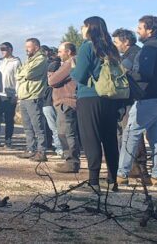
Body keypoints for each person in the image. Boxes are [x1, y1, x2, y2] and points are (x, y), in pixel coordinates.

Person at [118, 15, 157, 187]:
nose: (137, 30)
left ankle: (121, 174)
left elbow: (145, 73)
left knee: (130, 133)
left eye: (140, 27)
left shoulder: (149, 47)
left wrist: (125, 73)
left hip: (149, 98)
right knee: (156, 135)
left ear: (150, 30)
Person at [71, 16, 121, 190]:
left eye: (83, 26)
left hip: (89, 97)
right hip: (110, 98)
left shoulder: (87, 46)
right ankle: (113, 180)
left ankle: (93, 181)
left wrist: (72, 68)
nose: (81, 29)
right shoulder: (112, 48)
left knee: (90, 138)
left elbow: (80, 75)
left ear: (89, 28)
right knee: (110, 139)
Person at [112, 28, 148, 179]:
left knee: (133, 134)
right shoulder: (130, 54)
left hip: (132, 100)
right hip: (129, 100)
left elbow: (121, 73)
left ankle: (139, 168)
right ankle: (133, 166)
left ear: (126, 41)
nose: (115, 45)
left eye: (116, 42)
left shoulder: (133, 54)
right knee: (129, 133)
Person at [48, 42, 81, 173]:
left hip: (66, 102)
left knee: (66, 133)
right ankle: (70, 160)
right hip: (68, 101)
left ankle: (72, 162)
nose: (58, 54)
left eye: (60, 52)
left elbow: (52, 81)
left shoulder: (70, 63)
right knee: (66, 132)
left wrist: (51, 73)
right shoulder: (73, 62)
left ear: (68, 52)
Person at [16, 38, 49, 162]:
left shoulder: (41, 59)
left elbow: (28, 74)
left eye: (28, 47)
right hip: (24, 96)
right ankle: (30, 149)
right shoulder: (29, 60)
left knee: (37, 125)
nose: (26, 49)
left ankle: (42, 151)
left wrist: (23, 73)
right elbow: (18, 73)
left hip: (33, 96)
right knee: (27, 126)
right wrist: (23, 73)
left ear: (36, 47)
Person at [41, 46, 63, 157]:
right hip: (48, 101)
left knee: (55, 127)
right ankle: (58, 147)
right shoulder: (51, 65)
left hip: (50, 101)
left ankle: (60, 148)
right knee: (54, 127)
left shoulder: (53, 65)